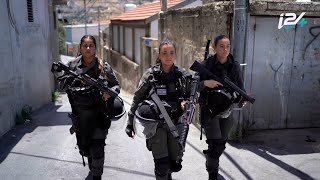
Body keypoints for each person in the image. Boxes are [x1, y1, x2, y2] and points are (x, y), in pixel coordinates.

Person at [52, 35, 120, 180]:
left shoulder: (103, 67)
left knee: (97, 149)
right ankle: (92, 166)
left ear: (95, 48)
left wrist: (109, 94)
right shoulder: (72, 66)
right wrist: (71, 79)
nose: (88, 49)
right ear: (80, 48)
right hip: (80, 116)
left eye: (91, 46)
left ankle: (97, 175)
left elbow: (116, 86)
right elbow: (61, 86)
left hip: (99, 115)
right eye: (85, 46)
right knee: (86, 149)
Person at [125, 39, 193, 180]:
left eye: (171, 53)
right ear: (159, 55)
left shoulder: (183, 76)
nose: (168, 56)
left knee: (173, 163)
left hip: (176, 124)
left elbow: (191, 96)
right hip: (155, 126)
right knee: (161, 166)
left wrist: (186, 104)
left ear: (175, 55)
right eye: (164, 53)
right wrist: (130, 122)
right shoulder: (150, 75)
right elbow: (137, 98)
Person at [198, 35, 246, 180]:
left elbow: (239, 87)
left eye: (228, 46)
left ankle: (211, 158)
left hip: (227, 109)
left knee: (221, 143)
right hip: (209, 110)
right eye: (221, 46)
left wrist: (242, 98)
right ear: (214, 47)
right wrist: (206, 83)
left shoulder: (234, 65)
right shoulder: (206, 65)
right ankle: (212, 173)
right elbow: (193, 86)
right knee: (215, 144)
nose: (225, 49)